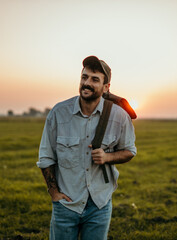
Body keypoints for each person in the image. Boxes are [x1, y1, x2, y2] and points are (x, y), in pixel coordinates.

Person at [36, 56, 137, 240]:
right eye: (84, 77)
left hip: (100, 204)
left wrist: (108, 157)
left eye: (94, 79)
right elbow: (46, 157)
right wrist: (54, 193)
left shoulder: (119, 117)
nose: (87, 83)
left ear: (106, 87)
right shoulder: (59, 113)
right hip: (66, 205)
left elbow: (129, 150)